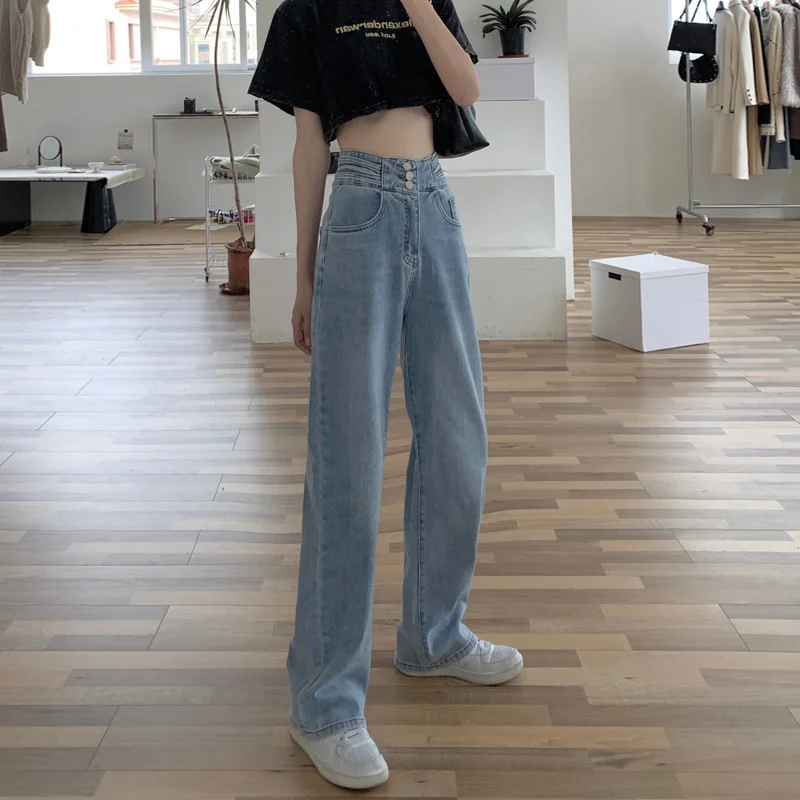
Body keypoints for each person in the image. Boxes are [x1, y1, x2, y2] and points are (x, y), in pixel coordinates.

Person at [249, 0, 523, 789]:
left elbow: (466, 89)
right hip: (359, 211)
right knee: (347, 457)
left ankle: (434, 637)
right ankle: (324, 704)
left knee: (458, 438)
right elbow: (310, 148)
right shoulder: (306, 11)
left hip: (434, 204)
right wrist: (304, 275)